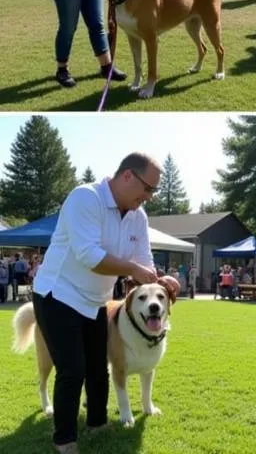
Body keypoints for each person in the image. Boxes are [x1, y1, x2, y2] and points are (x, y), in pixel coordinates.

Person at [29, 153, 180, 453]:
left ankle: (97, 423)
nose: (148, 197)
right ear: (127, 176)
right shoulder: (85, 198)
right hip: (58, 294)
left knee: (98, 368)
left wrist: (161, 281)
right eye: (147, 188)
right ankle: (65, 439)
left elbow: (143, 262)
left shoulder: (138, 216)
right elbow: (88, 255)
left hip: (95, 300)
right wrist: (133, 270)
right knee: (73, 369)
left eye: (154, 191)